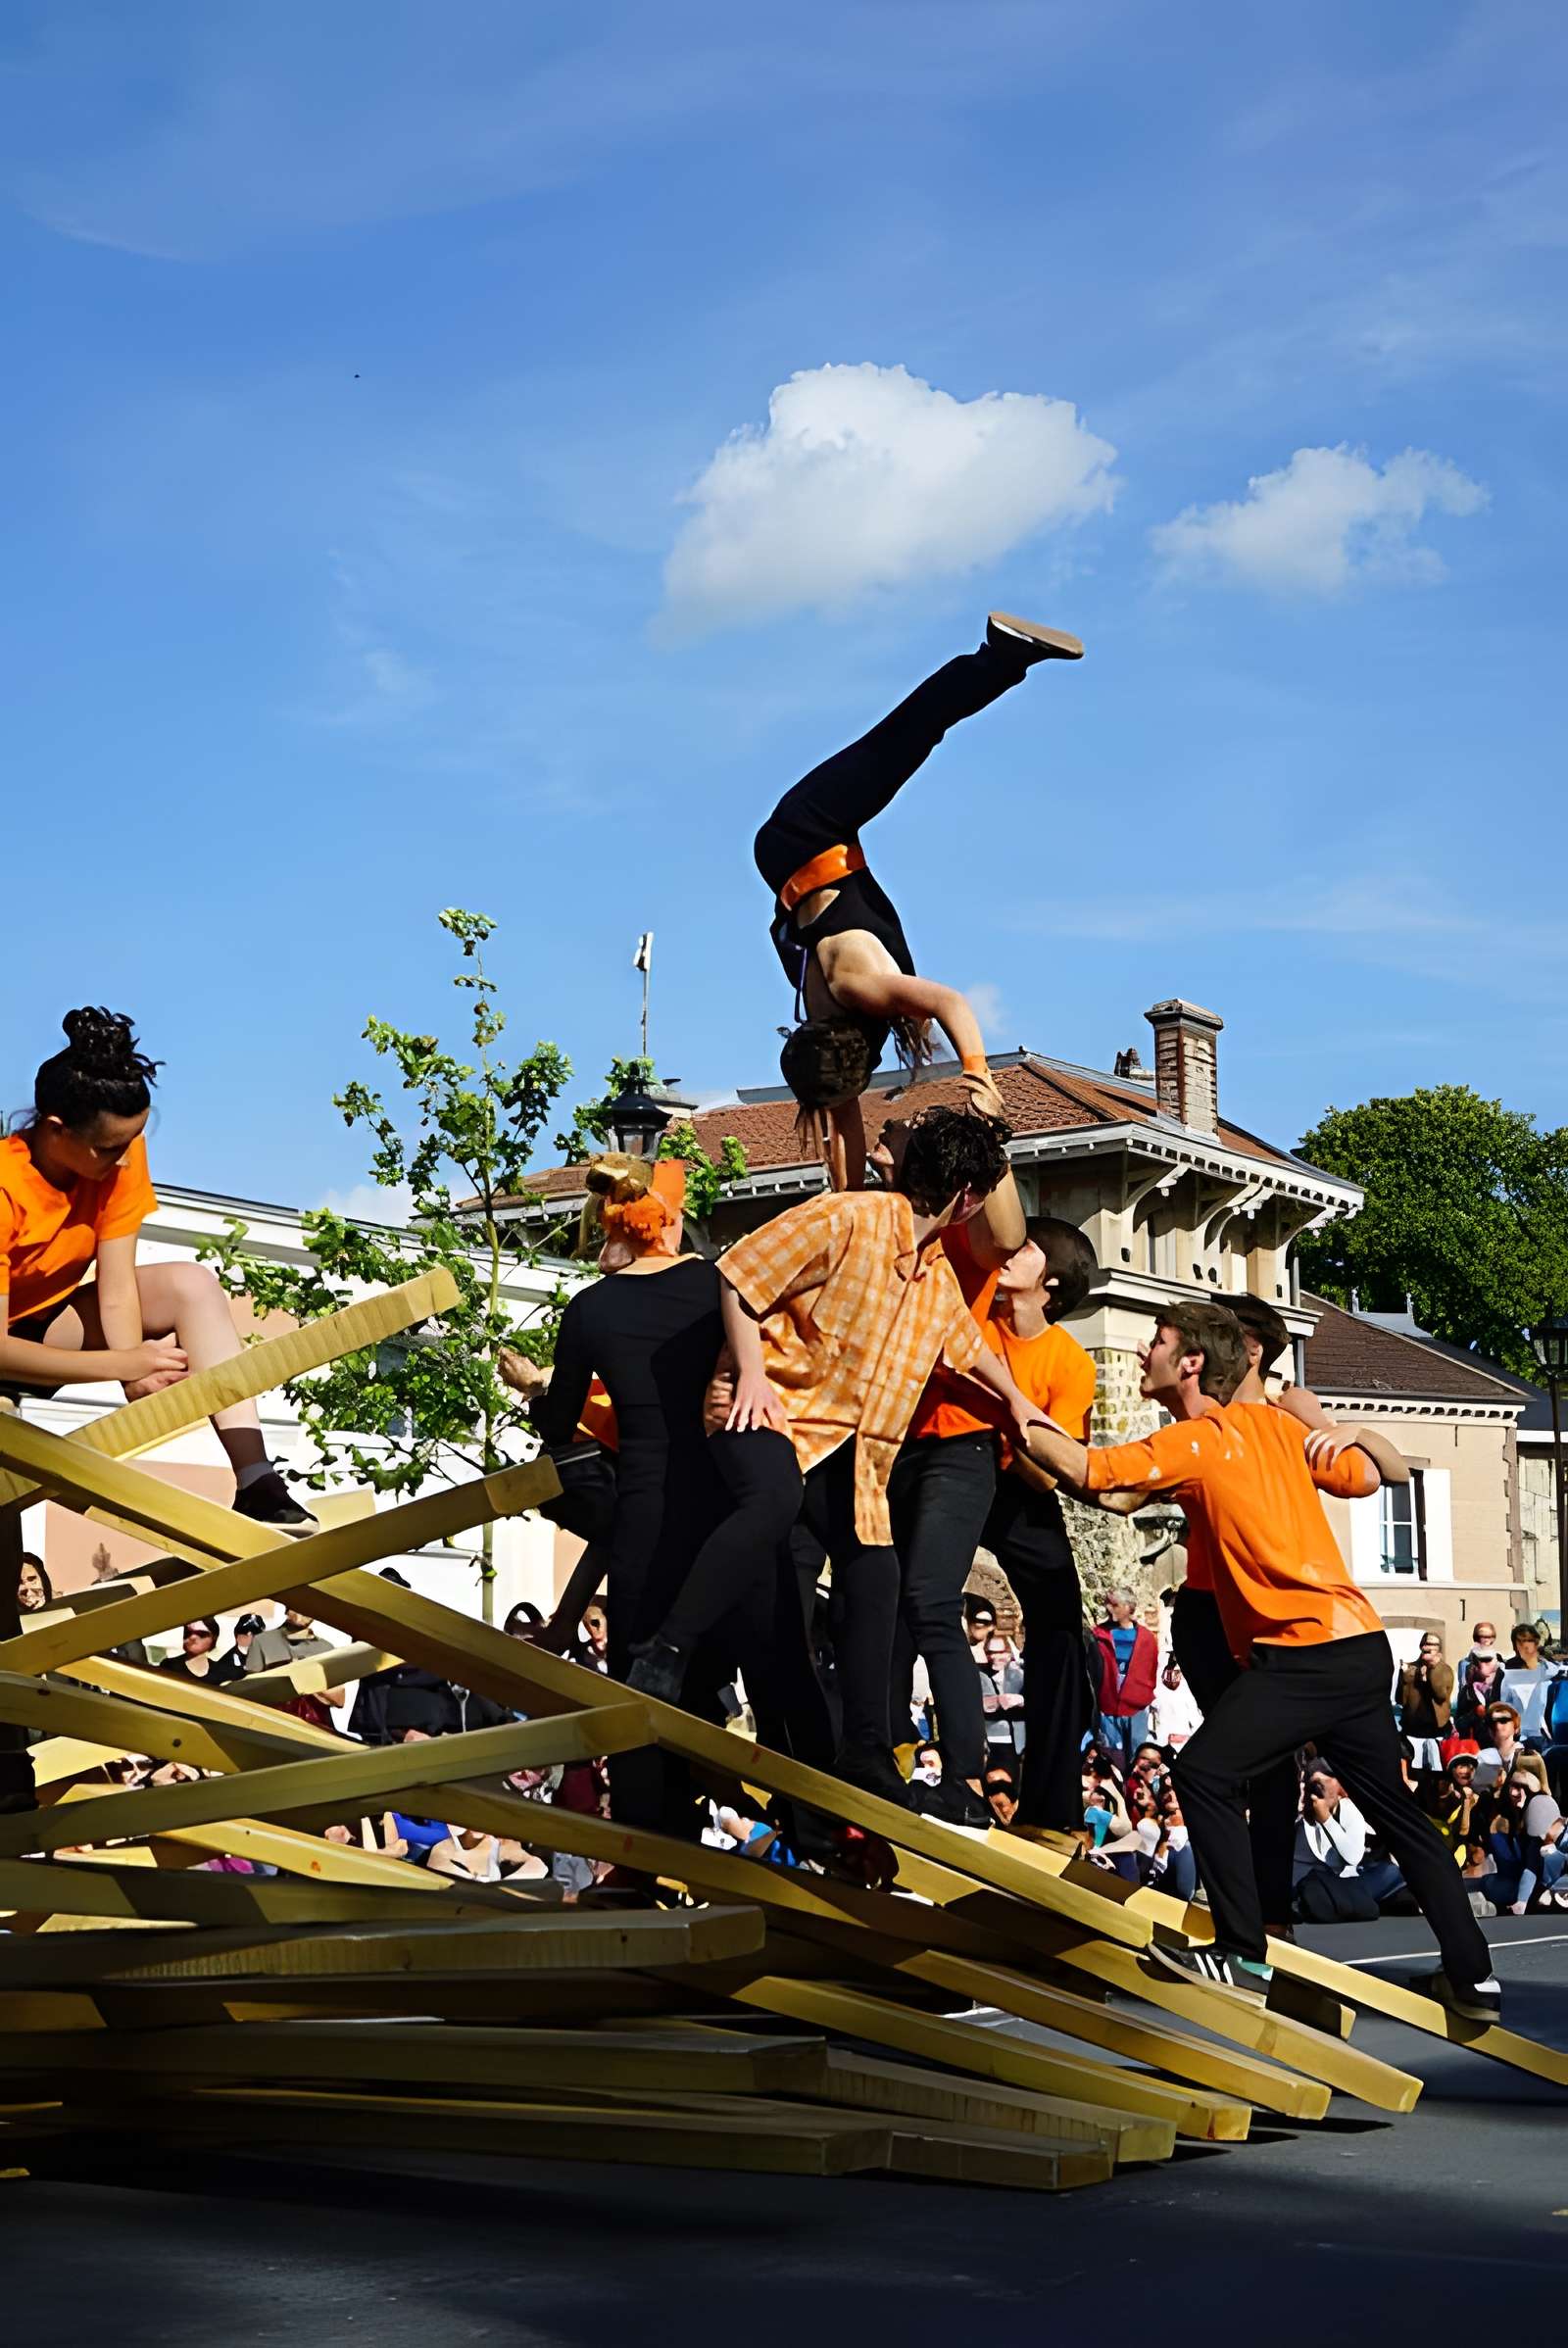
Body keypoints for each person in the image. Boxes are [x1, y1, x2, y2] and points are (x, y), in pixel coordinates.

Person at [1022, 1300, 1500, 2021]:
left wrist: (1000, 1390)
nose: (1143, 1352)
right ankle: (1473, 1981)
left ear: (1191, 1363)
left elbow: (1095, 1473)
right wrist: (1328, 1431)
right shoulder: (1277, 1427)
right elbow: (1373, 1478)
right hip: (1358, 1644)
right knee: (1396, 1815)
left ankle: (1242, 1948)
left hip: (1299, 1654)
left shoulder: (1203, 1437)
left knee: (1205, 1772)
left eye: (1156, 1341)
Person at [628, 1105, 1054, 1804]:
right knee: (771, 1502)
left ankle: (865, 1751)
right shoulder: (846, 1216)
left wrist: (1015, 1403)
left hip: (846, 1451)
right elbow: (737, 1276)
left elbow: (968, 1350)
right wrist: (753, 1373)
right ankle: (665, 1652)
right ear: (967, 1198)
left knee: (875, 1569)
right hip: (767, 1412)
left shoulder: (932, 1271)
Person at [755, 614, 1082, 1187]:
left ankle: (1000, 658)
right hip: (797, 868)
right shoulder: (834, 1033)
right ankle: (1001, 662)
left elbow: (952, 1003)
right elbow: (842, 1124)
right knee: (912, 734)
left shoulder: (858, 992)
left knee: (910, 734)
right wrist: (848, 1197)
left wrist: (982, 1078)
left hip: (804, 833)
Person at [0, 1008, 315, 1534]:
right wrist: (124, 1363)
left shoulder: (116, 1153)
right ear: (56, 1130)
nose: (123, 1160)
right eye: (110, 1149)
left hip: (43, 1322)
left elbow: (118, 1284)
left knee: (190, 1284)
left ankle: (258, 1483)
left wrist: (138, 1375)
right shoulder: (7, 1188)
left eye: (131, 1142)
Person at [881, 1075, 1030, 1827]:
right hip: (887, 1441)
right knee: (881, 1606)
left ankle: (969, 1778)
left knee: (930, 1598)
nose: (887, 1139)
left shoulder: (955, 1244)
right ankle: (883, 1752)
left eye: (900, 1131)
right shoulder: (872, 1228)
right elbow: (849, 1145)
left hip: (958, 1440)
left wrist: (991, 1127)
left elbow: (1007, 1234)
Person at [964, 1214, 1101, 1837]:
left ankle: (1054, 1806)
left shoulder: (1069, 1363)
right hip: (956, 1470)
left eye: (1028, 1251)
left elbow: (1050, 1476)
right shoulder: (979, 1304)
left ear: (1050, 1285)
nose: (1011, 1252)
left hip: (1021, 1492)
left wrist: (1000, 1411)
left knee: (1063, 1634)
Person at [1292, 1765, 1406, 1923]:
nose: (1319, 1790)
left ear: (1339, 1786)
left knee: (1392, 1872)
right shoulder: (1303, 1812)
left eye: (1322, 1784)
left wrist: (1327, 1820)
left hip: (1346, 1880)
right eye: (1314, 1785)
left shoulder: (1349, 1809)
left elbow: (1352, 1857)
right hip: (1306, 1882)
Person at [1091, 1590, 1158, 1772]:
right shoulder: (1098, 1635)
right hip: (1108, 1706)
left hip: (1136, 1707)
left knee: (1138, 1757)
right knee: (1111, 1756)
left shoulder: (1146, 1638)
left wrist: (1142, 1693)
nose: (1108, 1608)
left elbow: (1151, 1670)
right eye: (1107, 1603)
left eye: (1114, 1604)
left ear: (1128, 1608)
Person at [1397, 1633, 1454, 1775]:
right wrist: (1407, 1678)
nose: (1429, 1648)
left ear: (1439, 1649)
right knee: (1414, 1774)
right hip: (1413, 1730)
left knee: (1438, 1773)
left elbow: (1441, 1695)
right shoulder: (1409, 1669)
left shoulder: (1444, 1670)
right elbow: (1400, 1699)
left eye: (1433, 1645)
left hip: (1437, 1731)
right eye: (1427, 1644)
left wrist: (1432, 1671)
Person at [159, 1617, 242, 1685]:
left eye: (201, 1634)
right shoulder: (169, 1666)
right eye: (187, 1633)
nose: (192, 1638)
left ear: (213, 1638)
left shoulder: (222, 1672)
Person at [1456, 1624, 1505, 1735]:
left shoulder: (1503, 1671)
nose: (1485, 1640)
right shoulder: (1465, 1664)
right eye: (1481, 1636)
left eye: (1489, 1636)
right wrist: (1475, 1712)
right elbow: (1460, 1719)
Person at [1472, 1701, 1531, 1792]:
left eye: (1503, 1720)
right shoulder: (1483, 1757)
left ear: (1516, 1727)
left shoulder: (1525, 1756)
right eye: (1492, 1722)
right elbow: (1478, 1788)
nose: (1497, 1725)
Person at [1150, 1658, 1202, 1750]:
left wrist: (1185, 1737)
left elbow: (1198, 1723)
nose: (1173, 1677)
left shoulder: (1187, 1694)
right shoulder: (1158, 1693)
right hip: (1161, 1741)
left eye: (1177, 1674)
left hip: (1182, 1742)